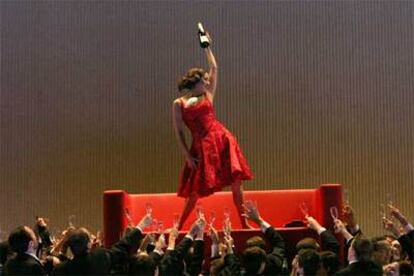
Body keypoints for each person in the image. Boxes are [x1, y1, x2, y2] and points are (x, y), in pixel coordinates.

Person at [173, 28, 253, 229]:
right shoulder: (179, 103)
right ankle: (179, 226)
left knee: (236, 183)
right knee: (194, 190)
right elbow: (180, 132)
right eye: (204, 79)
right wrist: (187, 156)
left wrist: (207, 46)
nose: (208, 80)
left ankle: (244, 222)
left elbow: (215, 68)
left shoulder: (207, 94)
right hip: (200, 146)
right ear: (196, 82)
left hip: (221, 139)